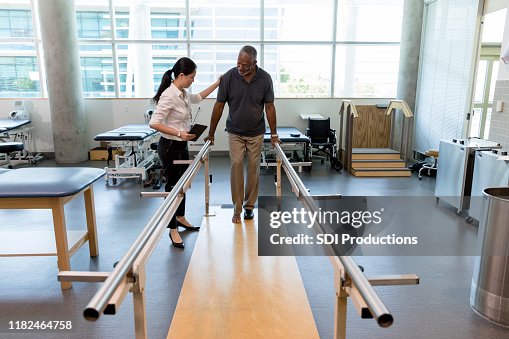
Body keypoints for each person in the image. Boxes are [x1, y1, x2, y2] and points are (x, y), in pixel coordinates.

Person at [150, 57, 221, 248]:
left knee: (183, 185)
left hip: (181, 145)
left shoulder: (182, 92)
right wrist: (180, 133)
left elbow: (198, 97)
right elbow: (154, 123)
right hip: (169, 147)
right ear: (181, 75)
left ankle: (180, 217)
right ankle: (172, 229)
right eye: (191, 77)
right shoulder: (169, 95)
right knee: (173, 188)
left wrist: (218, 83)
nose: (193, 80)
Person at [205, 45, 281, 223]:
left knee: (254, 166)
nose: (240, 68)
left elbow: (269, 106)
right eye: (238, 63)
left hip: (256, 132)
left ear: (254, 63)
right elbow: (219, 106)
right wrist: (211, 133)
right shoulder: (229, 78)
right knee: (237, 164)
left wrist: (274, 134)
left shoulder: (265, 79)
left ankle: (249, 206)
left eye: (245, 65)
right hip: (235, 131)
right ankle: (237, 208)